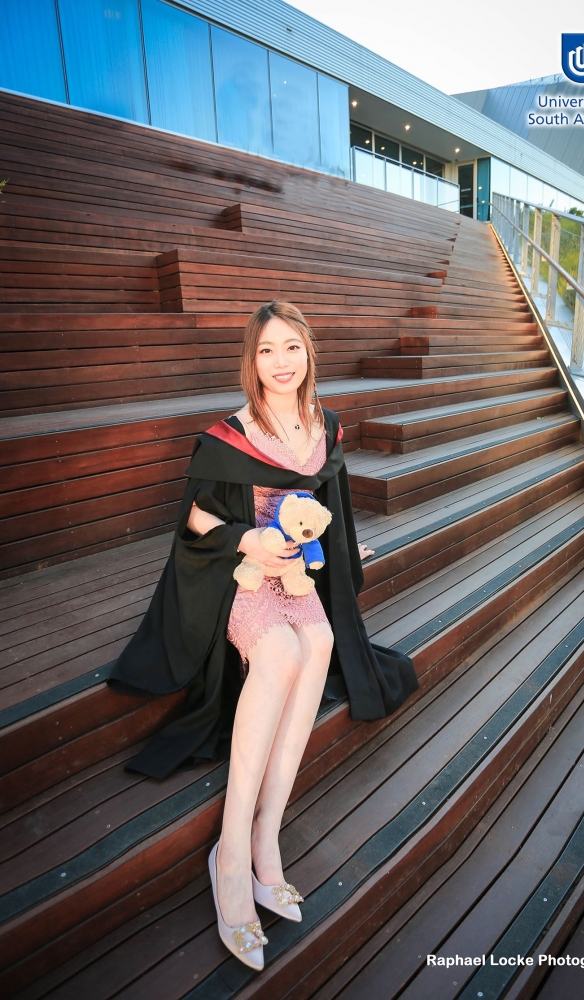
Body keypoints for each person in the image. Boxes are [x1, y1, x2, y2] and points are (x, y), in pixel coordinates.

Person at [108, 300, 418, 969]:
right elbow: (195, 520)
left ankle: (266, 837)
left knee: (322, 644)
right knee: (278, 652)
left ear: (309, 353)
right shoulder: (230, 435)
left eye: (292, 347)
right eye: (267, 350)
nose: (281, 362)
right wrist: (248, 539)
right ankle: (229, 856)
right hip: (241, 578)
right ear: (251, 361)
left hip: (297, 580)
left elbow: (331, 505)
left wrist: (343, 555)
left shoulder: (323, 426)